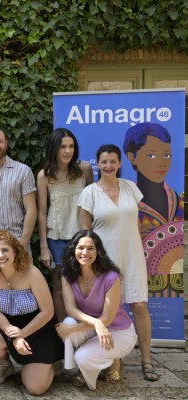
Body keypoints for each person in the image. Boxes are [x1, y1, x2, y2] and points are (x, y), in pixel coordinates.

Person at [78, 144, 158, 381]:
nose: (108, 166)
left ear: (120, 163)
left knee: (140, 306)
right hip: (105, 260)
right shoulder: (90, 192)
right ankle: (115, 361)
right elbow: (85, 234)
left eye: (113, 161)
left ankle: (146, 361)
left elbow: (137, 223)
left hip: (132, 255)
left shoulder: (131, 188)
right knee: (109, 311)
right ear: (98, 164)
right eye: (104, 162)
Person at [0, 230, 62, 396]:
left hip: (38, 327)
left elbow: (48, 312)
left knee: (36, 389)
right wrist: (12, 334)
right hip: (9, 326)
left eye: (5, 250)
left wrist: (22, 334)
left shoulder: (32, 273)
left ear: (15, 250)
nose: (1, 255)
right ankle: (5, 365)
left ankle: (51, 362)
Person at [56, 230, 137, 390]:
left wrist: (76, 328)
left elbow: (107, 319)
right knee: (68, 321)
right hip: (93, 327)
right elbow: (71, 309)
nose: (85, 252)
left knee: (82, 355)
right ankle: (86, 366)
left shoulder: (111, 277)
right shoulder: (67, 274)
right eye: (80, 248)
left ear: (98, 251)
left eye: (90, 248)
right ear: (73, 249)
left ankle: (113, 360)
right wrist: (96, 323)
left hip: (118, 331)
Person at [37, 128, 93, 322]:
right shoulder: (44, 176)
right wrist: (44, 247)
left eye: (71, 146)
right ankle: (65, 336)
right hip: (57, 239)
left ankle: (84, 331)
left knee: (84, 286)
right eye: (63, 147)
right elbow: (42, 213)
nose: (67, 151)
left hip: (82, 237)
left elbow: (92, 202)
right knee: (60, 288)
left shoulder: (84, 169)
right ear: (54, 148)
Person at [123, 122, 184, 276]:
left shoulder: (179, 202)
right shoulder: (126, 203)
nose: (162, 163)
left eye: (167, 155)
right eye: (151, 155)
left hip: (171, 284)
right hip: (134, 275)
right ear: (132, 157)